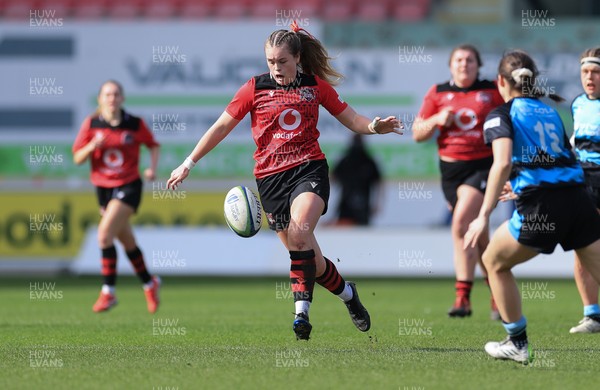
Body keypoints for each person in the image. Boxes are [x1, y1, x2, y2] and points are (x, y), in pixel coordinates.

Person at [166, 22, 402, 340]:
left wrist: (374, 126)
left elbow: (352, 119)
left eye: (283, 61)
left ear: (297, 57)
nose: (277, 68)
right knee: (311, 260)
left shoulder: (315, 87)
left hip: (309, 170)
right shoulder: (254, 88)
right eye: (271, 62)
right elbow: (221, 127)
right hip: (270, 180)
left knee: (301, 231)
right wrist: (188, 163)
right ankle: (349, 295)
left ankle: (301, 314)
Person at [464, 50, 600, 363]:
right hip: (578, 199)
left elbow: (500, 164)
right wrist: (522, 183)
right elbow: (563, 157)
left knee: (494, 262)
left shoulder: (501, 113)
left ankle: (517, 343)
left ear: (500, 81)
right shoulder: (549, 110)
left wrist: (482, 216)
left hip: (543, 206)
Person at [412, 44, 505, 319]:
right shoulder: (438, 92)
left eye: (470, 60)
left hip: (483, 168)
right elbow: (418, 133)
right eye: (459, 60)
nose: (465, 64)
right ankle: (499, 293)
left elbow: (512, 121)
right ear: (451, 65)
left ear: (478, 64)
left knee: (462, 224)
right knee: (479, 237)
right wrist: (437, 119)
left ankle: (462, 297)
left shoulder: (492, 91)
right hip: (451, 174)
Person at [72, 80, 161, 313]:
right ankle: (149, 283)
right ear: (100, 99)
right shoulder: (92, 124)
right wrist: (92, 146)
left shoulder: (134, 123)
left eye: (116, 94)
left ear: (122, 98)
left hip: (129, 186)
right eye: (107, 94)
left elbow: (153, 145)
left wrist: (151, 168)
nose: (112, 98)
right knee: (127, 242)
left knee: (103, 235)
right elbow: (77, 158)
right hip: (103, 190)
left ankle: (108, 292)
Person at [569, 47, 600, 334]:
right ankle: (592, 315)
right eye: (585, 72)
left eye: (596, 71)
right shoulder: (578, 103)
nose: (590, 77)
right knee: (583, 247)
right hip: (583, 181)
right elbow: (575, 141)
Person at [332, 134, 382, 226]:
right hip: (345, 203)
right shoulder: (345, 160)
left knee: (361, 231)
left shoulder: (368, 161)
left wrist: (377, 203)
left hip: (363, 203)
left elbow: (378, 183)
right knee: (344, 230)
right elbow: (333, 177)